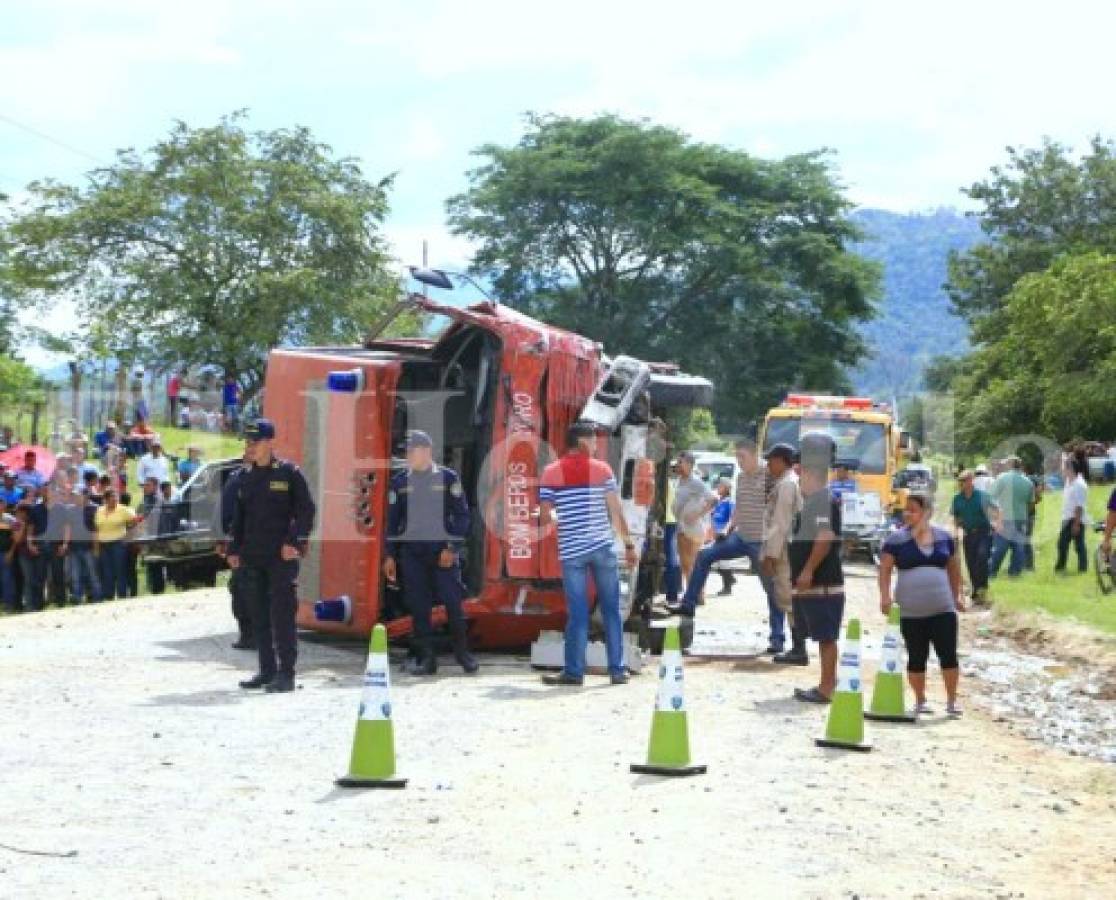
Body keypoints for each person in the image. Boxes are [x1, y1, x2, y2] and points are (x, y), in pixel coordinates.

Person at [537, 421, 637, 686]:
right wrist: (628, 545)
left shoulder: (551, 472)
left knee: (578, 613)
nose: (596, 447)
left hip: (572, 552)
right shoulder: (602, 470)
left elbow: (545, 515)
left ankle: (573, 672)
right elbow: (616, 513)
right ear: (583, 442)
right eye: (593, 442)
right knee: (611, 610)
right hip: (603, 548)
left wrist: (563, 517)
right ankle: (618, 670)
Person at [671, 439, 785, 653]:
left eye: (742, 457)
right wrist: (728, 529)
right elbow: (739, 507)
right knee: (704, 555)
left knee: (771, 588)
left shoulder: (769, 476)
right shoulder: (741, 478)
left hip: (760, 541)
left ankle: (777, 638)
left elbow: (776, 510)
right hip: (741, 537)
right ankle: (688, 604)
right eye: (737, 457)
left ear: (754, 455)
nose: (739, 462)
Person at [228, 418, 316, 693]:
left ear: (269, 443)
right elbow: (238, 520)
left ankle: (286, 674)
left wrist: (296, 542)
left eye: (255, 441)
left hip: (280, 558)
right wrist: (233, 549)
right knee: (259, 617)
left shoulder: (288, 474)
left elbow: (306, 510)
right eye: (247, 442)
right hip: (253, 557)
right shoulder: (244, 478)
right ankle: (266, 672)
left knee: (282, 616)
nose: (250, 446)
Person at [383, 430, 478, 677]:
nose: (407, 455)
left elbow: (462, 516)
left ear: (426, 451)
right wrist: (390, 555)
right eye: (407, 451)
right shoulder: (400, 482)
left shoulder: (447, 478)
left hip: (441, 553)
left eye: (411, 450)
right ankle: (427, 659)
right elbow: (392, 523)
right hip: (413, 554)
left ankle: (463, 654)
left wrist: (451, 548)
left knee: (453, 604)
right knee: (419, 607)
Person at [879, 494, 965, 717]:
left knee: (948, 655)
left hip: (942, 610)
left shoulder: (944, 538)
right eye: (906, 510)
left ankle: (952, 701)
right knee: (916, 657)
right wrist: (885, 597)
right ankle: (920, 700)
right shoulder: (896, 540)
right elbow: (885, 570)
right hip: (910, 612)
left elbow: (954, 569)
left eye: (913, 510)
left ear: (927, 512)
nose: (907, 513)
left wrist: (958, 597)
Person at [785, 433, 845, 703]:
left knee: (826, 637)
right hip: (815, 582)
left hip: (822, 582)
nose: (798, 476)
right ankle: (827, 682)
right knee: (822, 636)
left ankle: (827, 687)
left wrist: (808, 570)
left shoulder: (821, 500)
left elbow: (824, 537)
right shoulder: (814, 500)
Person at [763, 444, 803, 664]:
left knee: (787, 597)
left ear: (781, 461)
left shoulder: (787, 484)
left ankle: (799, 648)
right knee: (787, 598)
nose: (769, 465)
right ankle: (798, 647)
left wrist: (771, 554)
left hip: (786, 550)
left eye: (771, 460)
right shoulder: (786, 483)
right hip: (788, 547)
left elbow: (780, 523)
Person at [671, 451, 716, 602]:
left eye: (680, 462)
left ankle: (695, 596)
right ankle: (693, 594)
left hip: (693, 529)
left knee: (693, 564)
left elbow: (713, 499)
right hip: (682, 527)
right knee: (685, 564)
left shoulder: (695, 482)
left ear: (690, 465)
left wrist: (697, 515)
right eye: (677, 462)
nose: (677, 465)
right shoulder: (680, 481)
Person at [220, 454, 254, 649]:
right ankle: (247, 634)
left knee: (253, 588)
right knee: (239, 588)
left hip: (256, 541)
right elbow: (224, 510)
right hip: (238, 541)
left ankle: (258, 634)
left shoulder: (268, 478)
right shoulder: (235, 477)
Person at [950, 471, 995, 605]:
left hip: (983, 532)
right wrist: (956, 531)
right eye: (960, 481)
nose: (961, 484)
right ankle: (976, 590)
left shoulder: (982, 496)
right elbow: (955, 517)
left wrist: (997, 524)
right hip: (968, 534)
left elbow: (996, 509)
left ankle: (983, 588)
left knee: (982, 557)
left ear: (971, 481)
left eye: (964, 481)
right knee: (971, 563)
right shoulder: (957, 499)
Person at [989, 456, 1034, 578]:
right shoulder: (1028, 481)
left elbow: (990, 497)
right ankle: (1014, 573)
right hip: (1021, 518)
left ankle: (991, 572)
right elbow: (1030, 503)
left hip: (1005, 517)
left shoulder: (1002, 478)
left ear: (1010, 465)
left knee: (999, 548)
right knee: (1018, 548)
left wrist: (994, 516)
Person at [94, 488, 139, 600]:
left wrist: (130, 537)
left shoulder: (123, 510)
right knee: (107, 572)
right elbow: (97, 529)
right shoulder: (99, 511)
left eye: (116, 498)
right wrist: (96, 547)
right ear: (105, 500)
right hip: (104, 545)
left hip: (118, 544)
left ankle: (122, 595)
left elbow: (135, 522)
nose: (114, 500)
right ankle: (109, 596)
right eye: (112, 498)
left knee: (120, 570)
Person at [1055, 457, 1089, 574]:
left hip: (1074, 519)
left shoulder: (1079, 485)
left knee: (1071, 544)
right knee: (1067, 544)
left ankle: (1077, 568)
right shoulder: (1069, 481)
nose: (1062, 469)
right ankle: (1066, 567)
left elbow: (1080, 506)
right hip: (1067, 518)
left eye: (1064, 467)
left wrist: (1076, 524)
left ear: (1070, 469)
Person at [68, 486, 101, 604]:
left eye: (78, 495)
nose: (75, 498)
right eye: (74, 495)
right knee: (75, 576)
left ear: (85, 496)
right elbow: (68, 528)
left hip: (89, 547)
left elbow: (96, 530)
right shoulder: (71, 509)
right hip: (74, 548)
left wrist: (96, 548)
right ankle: (78, 599)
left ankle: (96, 597)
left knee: (92, 574)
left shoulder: (94, 509)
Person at [709, 477, 736, 595]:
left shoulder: (730, 502)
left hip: (724, 534)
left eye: (720, 486)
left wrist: (727, 531)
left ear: (726, 488)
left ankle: (727, 587)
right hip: (715, 534)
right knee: (718, 561)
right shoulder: (718, 501)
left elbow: (732, 518)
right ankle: (730, 578)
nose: (717, 488)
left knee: (723, 561)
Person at [661, 461, 682, 606]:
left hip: (669, 522)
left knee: (671, 559)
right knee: (672, 558)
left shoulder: (666, 483)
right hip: (671, 521)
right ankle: (672, 594)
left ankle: (672, 595)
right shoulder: (671, 482)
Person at [0, 496, 18, 611]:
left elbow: (16, 535)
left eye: (1, 504)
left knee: (7, 579)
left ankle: (9, 605)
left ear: (4, 505)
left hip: (6, 553)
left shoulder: (10, 518)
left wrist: (11, 552)